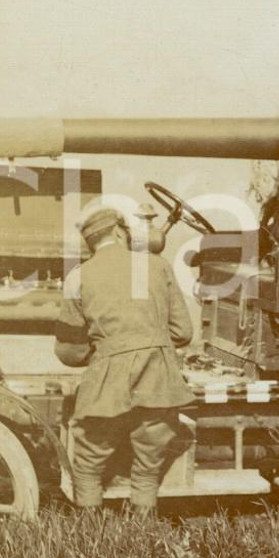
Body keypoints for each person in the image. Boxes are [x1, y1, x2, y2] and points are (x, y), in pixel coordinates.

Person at [54, 207, 194, 517]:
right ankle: (141, 536)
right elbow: (183, 332)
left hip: (106, 383)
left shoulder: (78, 276)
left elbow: (69, 351)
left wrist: (104, 352)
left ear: (90, 242)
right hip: (158, 378)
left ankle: (88, 537)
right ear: (120, 232)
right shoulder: (158, 266)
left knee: (89, 464)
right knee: (148, 466)